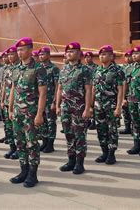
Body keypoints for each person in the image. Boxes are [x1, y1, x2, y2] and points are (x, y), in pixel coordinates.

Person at [8, 37, 47, 188]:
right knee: (20, 143)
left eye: (22, 49)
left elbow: (42, 93)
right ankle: (23, 171)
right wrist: (10, 108)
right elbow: (13, 89)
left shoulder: (38, 69)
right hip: (17, 113)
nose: (19, 52)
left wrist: (39, 114)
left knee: (32, 144)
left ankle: (32, 174)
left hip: (31, 114)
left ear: (30, 50)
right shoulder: (16, 69)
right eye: (18, 50)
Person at [56, 42, 92, 175]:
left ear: (78, 53)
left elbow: (89, 90)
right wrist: (57, 104)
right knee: (68, 134)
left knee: (80, 135)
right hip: (66, 107)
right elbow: (59, 88)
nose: (69, 53)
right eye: (67, 51)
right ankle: (71, 160)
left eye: (72, 51)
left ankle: (79, 163)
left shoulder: (85, 70)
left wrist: (88, 108)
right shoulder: (63, 69)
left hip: (79, 107)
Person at [92, 45, 124, 165]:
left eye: (104, 54)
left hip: (111, 105)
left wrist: (118, 107)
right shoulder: (97, 70)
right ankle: (104, 152)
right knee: (101, 130)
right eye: (100, 54)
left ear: (111, 56)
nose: (101, 56)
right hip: (98, 105)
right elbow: (94, 89)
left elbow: (121, 90)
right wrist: (90, 105)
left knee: (112, 130)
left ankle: (111, 154)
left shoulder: (117, 70)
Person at [38, 47, 60, 153]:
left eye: (43, 54)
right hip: (40, 101)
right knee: (42, 122)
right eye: (40, 54)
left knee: (51, 122)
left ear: (48, 55)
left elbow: (57, 86)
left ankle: (50, 144)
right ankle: (44, 141)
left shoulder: (54, 69)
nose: (41, 56)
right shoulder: (38, 68)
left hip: (50, 99)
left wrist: (55, 102)